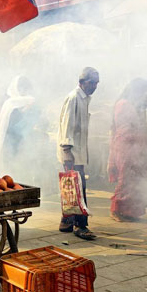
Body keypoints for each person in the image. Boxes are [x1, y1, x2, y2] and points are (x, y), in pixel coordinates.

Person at [57, 67, 100, 240]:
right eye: (92, 83)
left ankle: (66, 221)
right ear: (82, 82)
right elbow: (67, 124)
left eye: (97, 83)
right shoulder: (74, 98)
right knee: (78, 188)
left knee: (71, 188)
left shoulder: (84, 99)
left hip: (77, 152)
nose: (95, 86)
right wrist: (67, 150)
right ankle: (80, 225)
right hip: (71, 152)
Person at [108, 78, 147, 222]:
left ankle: (129, 212)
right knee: (126, 178)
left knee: (136, 178)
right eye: (143, 91)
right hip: (126, 144)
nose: (145, 94)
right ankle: (116, 210)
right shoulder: (124, 104)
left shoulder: (135, 105)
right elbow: (128, 126)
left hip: (136, 145)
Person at [0, 76, 37, 167]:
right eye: (24, 89)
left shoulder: (22, 102)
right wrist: (25, 110)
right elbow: (11, 126)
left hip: (20, 143)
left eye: (27, 90)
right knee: (11, 168)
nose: (26, 93)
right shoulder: (11, 103)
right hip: (11, 143)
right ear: (17, 89)